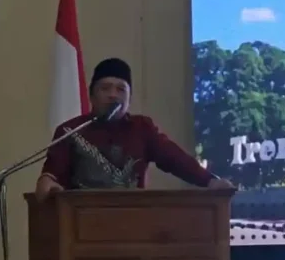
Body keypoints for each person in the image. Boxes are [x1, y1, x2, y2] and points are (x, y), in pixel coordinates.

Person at [35, 57, 234, 201]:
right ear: (92, 96)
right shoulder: (70, 130)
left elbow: (175, 159)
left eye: (121, 89)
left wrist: (210, 181)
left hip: (133, 222)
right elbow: (52, 174)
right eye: (105, 88)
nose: (113, 95)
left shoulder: (142, 129)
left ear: (129, 98)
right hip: (81, 223)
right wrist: (48, 183)